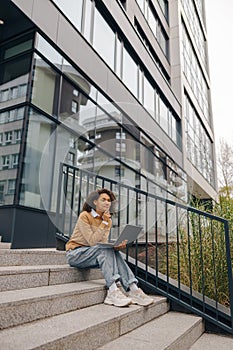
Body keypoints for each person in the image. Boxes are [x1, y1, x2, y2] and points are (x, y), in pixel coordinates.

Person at [66, 188, 153, 307]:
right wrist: (104, 223)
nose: (107, 202)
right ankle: (112, 290)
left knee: (112, 251)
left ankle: (133, 289)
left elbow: (102, 243)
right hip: (76, 254)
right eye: (103, 199)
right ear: (95, 202)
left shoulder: (107, 220)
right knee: (103, 249)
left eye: (108, 200)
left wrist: (117, 247)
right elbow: (92, 241)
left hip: (93, 255)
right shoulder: (85, 216)